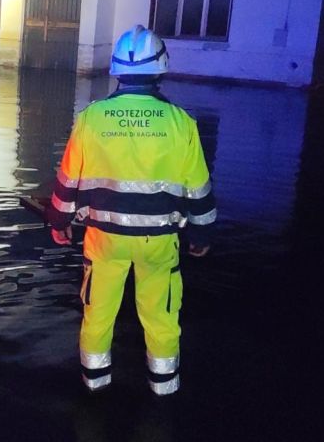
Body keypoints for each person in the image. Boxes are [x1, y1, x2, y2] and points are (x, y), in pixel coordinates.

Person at [46, 25, 216, 396]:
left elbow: (68, 179)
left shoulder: (91, 118)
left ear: (117, 69)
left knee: (98, 313)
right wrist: (201, 234)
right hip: (159, 242)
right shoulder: (181, 122)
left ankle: (94, 387)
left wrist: (59, 221)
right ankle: (164, 391)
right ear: (161, 68)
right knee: (161, 317)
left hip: (105, 239)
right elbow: (199, 189)